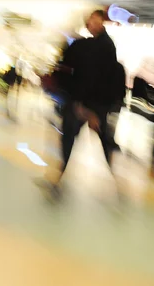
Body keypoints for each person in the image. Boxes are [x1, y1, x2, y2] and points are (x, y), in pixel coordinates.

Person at [36, 10, 124, 196]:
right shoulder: (99, 46)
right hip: (92, 104)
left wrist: (83, 106)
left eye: (94, 20)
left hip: (88, 105)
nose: (91, 24)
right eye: (89, 21)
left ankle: (59, 180)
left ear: (101, 22)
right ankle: (59, 179)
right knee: (89, 140)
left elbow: (93, 78)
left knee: (73, 139)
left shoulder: (96, 47)